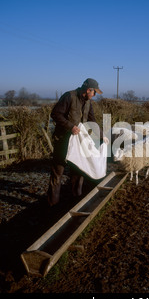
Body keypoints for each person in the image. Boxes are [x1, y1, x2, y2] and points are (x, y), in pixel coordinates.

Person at [47, 78, 109, 207]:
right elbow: (56, 114)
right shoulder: (69, 96)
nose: (95, 95)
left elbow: (92, 121)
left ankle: (76, 202)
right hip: (63, 140)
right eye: (94, 92)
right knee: (58, 172)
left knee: (79, 171)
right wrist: (70, 126)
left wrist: (102, 136)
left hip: (78, 143)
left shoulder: (88, 102)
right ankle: (53, 205)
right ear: (88, 90)